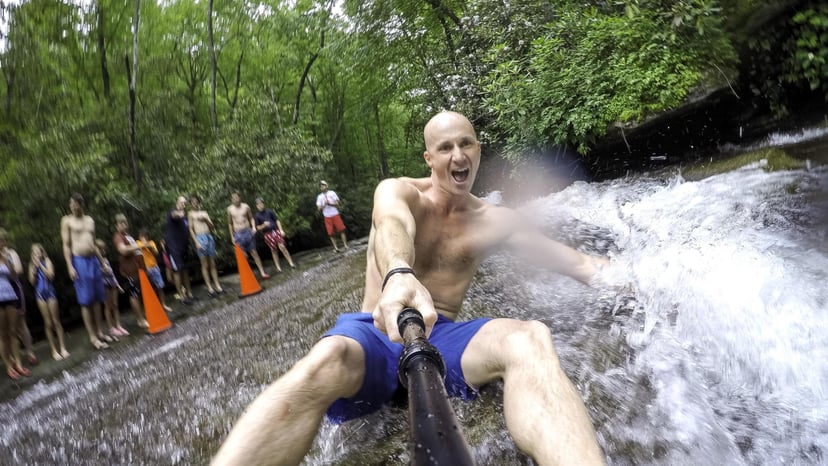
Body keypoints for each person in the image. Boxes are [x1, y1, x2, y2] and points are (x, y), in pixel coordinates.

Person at [213, 111, 608, 466]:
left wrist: (625, 278)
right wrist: (399, 272)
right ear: (429, 158)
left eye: (466, 143)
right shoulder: (398, 191)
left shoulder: (497, 220)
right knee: (326, 357)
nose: (458, 155)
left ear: (478, 149)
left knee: (530, 338)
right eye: (445, 147)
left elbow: (577, 263)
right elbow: (392, 225)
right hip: (376, 333)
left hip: (441, 340)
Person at [60, 193, 111, 350]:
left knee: (97, 298)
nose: (73, 207)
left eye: (75, 205)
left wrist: (103, 263)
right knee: (86, 301)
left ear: (82, 205)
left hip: (93, 261)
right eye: (71, 205)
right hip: (79, 261)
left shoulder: (90, 220)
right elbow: (66, 245)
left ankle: (100, 332)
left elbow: (94, 244)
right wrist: (70, 266)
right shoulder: (67, 221)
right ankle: (92, 337)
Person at [28, 244, 70, 360]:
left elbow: (50, 276)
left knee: (56, 321)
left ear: (42, 252)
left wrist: (41, 266)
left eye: (38, 252)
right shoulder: (32, 266)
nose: (37, 254)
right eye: (34, 252)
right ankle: (54, 350)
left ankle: (63, 348)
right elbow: (32, 282)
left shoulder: (47, 261)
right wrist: (35, 269)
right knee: (48, 323)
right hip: (40, 295)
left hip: (50, 292)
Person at [0, 228, 30, 379]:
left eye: (3, 240)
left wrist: (7, 260)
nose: (2, 243)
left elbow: (13, 276)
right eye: (0, 240)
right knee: (3, 334)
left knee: (13, 332)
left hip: (10, 296)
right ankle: (9, 366)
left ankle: (18, 364)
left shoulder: (6, 256)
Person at [113, 214, 148, 329]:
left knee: (140, 292)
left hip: (139, 269)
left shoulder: (128, 236)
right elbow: (123, 250)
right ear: (117, 225)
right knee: (134, 294)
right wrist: (139, 245)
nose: (124, 226)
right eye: (121, 223)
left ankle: (143, 315)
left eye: (125, 223)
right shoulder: (118, 237)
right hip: (129, 271)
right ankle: (140, 320)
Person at [227, 192, 269, 279]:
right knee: (244, 255)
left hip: (248, 231)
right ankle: (248, 275)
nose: (235, 199)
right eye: (233, 198)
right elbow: (230, 223)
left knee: (254, 252)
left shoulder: (246, 206)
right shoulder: (230, 209)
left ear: (239, 197)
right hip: (238, 234)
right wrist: (232, 236)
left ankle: (262, 272)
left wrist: (253, 227)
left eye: (236, 197)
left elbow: (251, 218)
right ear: (231, 199)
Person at [188, 195, 224, 296]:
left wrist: (205, 219)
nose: (195, 203)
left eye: (196, 201)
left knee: (212, 263)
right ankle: (209, 287)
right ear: (190, 204)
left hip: (209, 237)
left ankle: (217, 285)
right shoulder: (190, 214)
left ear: (199, 202)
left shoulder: (204, 213)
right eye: (192, 202)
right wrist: (196, 242)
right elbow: (190, 229)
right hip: (199, 238)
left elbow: (212, 227)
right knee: (204, 264)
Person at [253, 197, 296, 273]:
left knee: (282, 246)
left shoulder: (269, 211)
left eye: (261, 203)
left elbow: (277, 220)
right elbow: (257, 228)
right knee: (274, 250)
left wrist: (281, 230)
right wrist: (264, 225)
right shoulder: (257, 216)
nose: (260, 205)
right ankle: (278, 267)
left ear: (264, 204)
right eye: (258, 204)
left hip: (275, 231)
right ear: (256, 206)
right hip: (267, 234)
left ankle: (291, 263)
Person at [165, 196, 194, 304]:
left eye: (185, 203)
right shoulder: (172, 213)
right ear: (177, 203)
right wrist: (179, 213)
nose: (184, 205)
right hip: (174, 248)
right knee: (177, 271)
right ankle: (182, 296)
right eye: (182, 203)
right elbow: (174, 216)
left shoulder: (185, 217)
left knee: (185, 270)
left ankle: (189, 293)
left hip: (184, 248)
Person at [96, 239, 128, 337]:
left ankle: (118, 325)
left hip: (112, 283)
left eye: (104, 249)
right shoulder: (95, 262)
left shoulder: (106, 260)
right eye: (101, 250)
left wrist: (118, 285)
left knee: (115, 304)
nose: (103, 251)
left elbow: (112, 274)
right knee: (108, 306)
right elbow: (97, 274)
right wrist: (102, 270)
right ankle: (111, 328)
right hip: (103, 285)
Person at [137, 229, 174, 311]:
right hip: (145, 269)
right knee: (150, 289)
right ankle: (153, 307)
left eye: (145, 236)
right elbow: (138, 249)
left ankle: (163, 304)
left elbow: (156, 253)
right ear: (139, 237)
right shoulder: (138, 243)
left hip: (154, 267)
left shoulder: (151, 243)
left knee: (160, 287)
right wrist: (143, 244)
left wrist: (149, 246)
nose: (144, 238)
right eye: (142, 236)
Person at [315, 180, 348, 252]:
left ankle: (345, 245)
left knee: (341, 229)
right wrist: (324, 204)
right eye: (320, 186)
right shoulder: (319, 197)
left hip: (335, 214)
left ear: (326, 186)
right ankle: (336, 248)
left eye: (323, 185)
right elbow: (318, 208)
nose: (322, 187)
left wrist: (330, 204)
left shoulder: (332, 193)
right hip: (327, 216)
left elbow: (337, 203)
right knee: (330, 233)